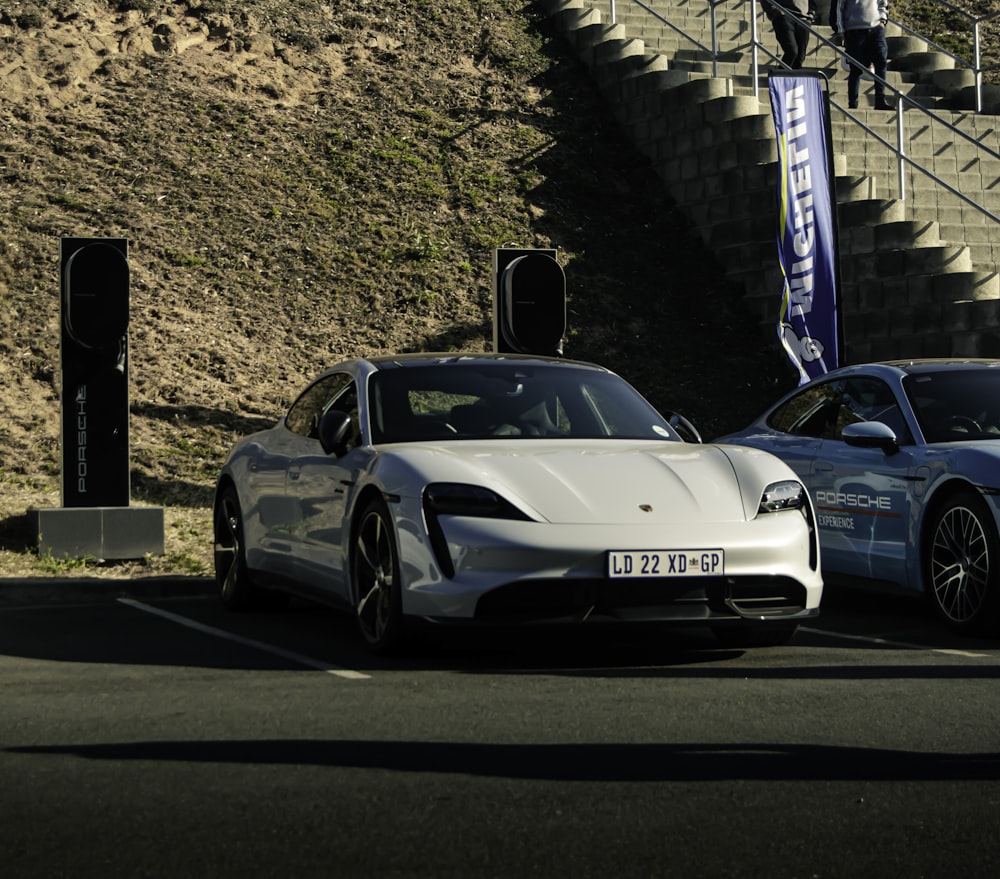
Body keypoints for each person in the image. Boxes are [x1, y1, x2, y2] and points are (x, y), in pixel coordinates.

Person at [830, 0, 891, 109]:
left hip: (876, 28)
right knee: (856, 68)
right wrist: (840, 31)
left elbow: (882, 3)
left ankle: (880, 100)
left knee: (881, 61)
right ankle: (853, 103)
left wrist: (882, 20)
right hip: (854, 30)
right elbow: (838, 8)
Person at [763, 0, 818, 69]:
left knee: (800, 58)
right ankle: (780, 76)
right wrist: (772, 10)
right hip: (784, 15)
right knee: (792, 52)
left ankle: (790, 78)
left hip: (803, 18)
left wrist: (811, 14)